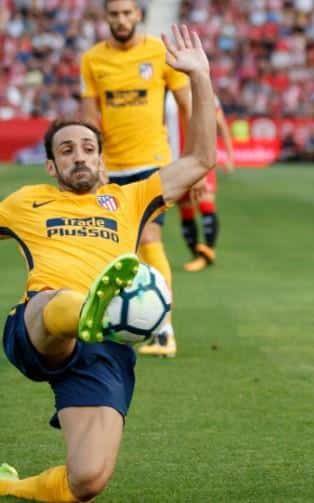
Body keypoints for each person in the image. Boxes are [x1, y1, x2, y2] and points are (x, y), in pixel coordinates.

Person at [0, 25, 216, 502]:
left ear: (102, 161)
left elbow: (202, 158)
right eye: (66, 150)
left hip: (102, 349)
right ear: (52, 167)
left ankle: (8, 484)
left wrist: (200, 77)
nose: (79, 156)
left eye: (88, 149)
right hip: (39, 328)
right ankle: (92, 311)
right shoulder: (25, 202)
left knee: (87, 480)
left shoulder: (131, 198)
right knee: (57, 303)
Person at [80, 0, 192, 357]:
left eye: (127, 13)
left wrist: (194, 162)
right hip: (110, 169)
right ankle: (113, 322)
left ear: (138, 15)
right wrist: (93, 162)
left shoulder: (159, 53)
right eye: (115, 14)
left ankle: (164, 331)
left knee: (149, 237)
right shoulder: (92, 59)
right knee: (113, 246)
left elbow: (188, 105)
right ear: (106, 18)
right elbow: (89, 117)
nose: (121, 19)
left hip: (152, 163)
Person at [179, 95, 235, 272]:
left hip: (202, 158)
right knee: (186, 208)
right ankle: (197, 254)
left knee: (205, 202)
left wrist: (230, 156)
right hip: (178, 159)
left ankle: (209, 250)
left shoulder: (206, 94)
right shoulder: (169, 93)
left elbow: (221, 125)